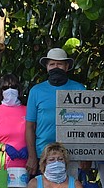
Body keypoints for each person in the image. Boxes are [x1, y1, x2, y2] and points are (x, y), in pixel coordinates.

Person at [25, 47, 86, 176]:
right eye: (52, 64)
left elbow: (87, 124)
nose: (55, 67)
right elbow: (30, 126)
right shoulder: (36, 91)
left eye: (59, 64)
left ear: (67, 66)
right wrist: (31, 156)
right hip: (43, 153)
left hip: (72, 154)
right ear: (47, 67)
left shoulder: (79, 89)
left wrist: (85, 154)